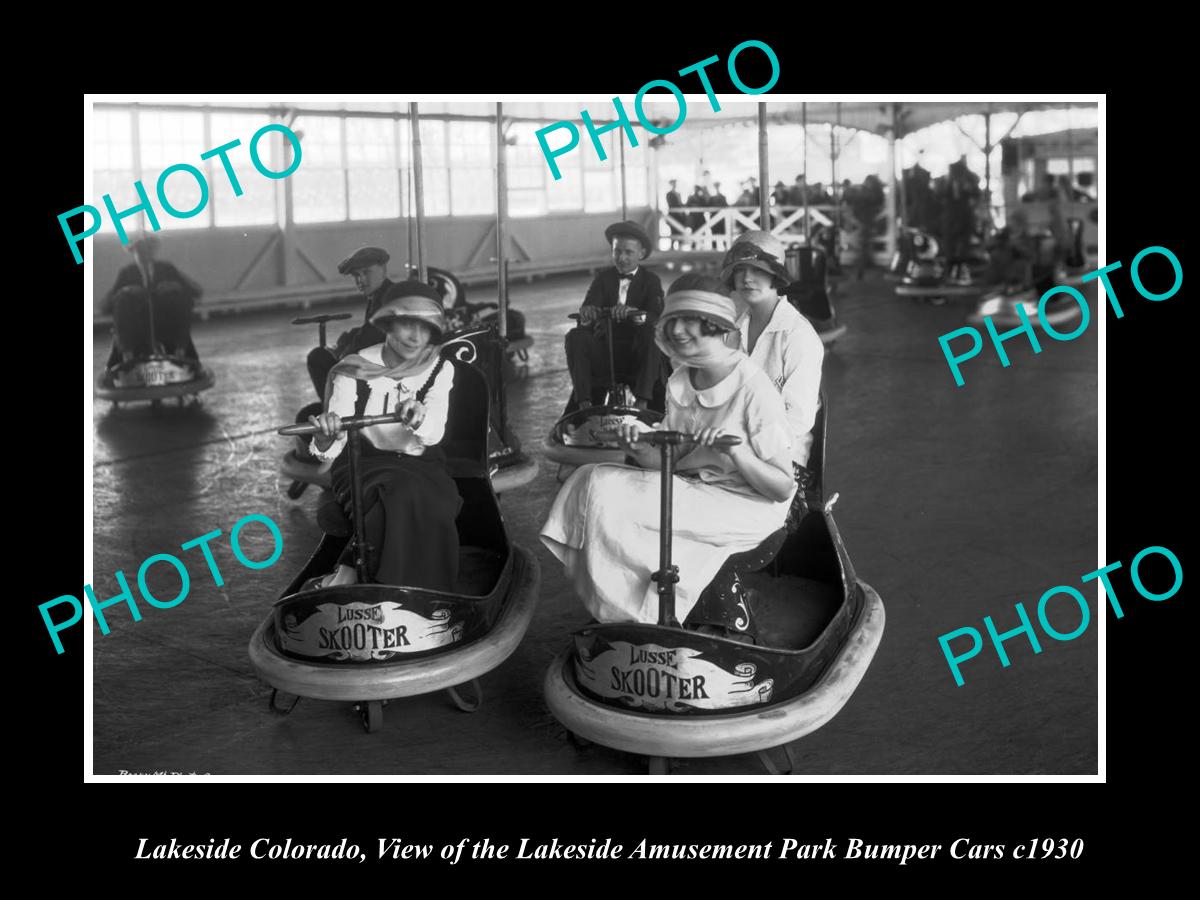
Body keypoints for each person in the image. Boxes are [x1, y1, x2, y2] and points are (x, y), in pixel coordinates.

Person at [541, 275, 795, 631]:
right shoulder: (680, 381)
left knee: (608, 497)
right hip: (694, 487)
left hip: (745, 504)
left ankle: (643, 614)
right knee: (590, 479)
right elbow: (669, 462)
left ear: (716, 326)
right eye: (673, 319)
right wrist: (634, 444)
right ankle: (626, 604)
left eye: (689, 320)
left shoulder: (754, 389)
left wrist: (737, 454)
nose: (677, 330)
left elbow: (783, 487)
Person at [307, 282, 461, 591]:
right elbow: (333, 446)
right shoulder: (354, 368)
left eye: (426, 328)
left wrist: (418, 418)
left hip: (423, 464)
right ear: (388, 323)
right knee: (398, 494)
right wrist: (325, 437)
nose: (416, 337)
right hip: (362, 465)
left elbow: (434, 433)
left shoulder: (439, 369)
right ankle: (390, 591)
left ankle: (351, 572)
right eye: (407, 324)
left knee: (435, 501)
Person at [722, 231, 824, 471]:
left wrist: (743, 445)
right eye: (740, 270)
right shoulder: (732, 331)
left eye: (758, 270)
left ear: (776, 276)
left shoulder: (798, 335)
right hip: (732, 450)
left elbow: (798, 420)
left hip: (783, 459)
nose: (747, 278)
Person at [565, 221, 665, 411]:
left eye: (628, 252)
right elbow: (588, 309)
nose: (622, 258)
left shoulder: (651, 281)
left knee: (651, 335)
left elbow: (656, 318)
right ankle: (584, 404)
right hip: (606, 354)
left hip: (638, 358)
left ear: (641, 254)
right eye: (617, 251)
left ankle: (643, 403)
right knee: (574, 336)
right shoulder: (603, 279)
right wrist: (588, 314)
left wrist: (633, 313)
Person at [306, 246, 395, 400]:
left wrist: (343, 350)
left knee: (318, 357)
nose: (360, 280)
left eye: (366, 273)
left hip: (384, 376)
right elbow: (371, 331)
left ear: (383, 269)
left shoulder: (388, 299)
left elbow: (368, 341)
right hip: (381, 366)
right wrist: (351, 336)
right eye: (356, 275)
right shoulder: (381, 294)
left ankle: (335, 410)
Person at [101, 234, 203, 367]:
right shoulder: (127, 273)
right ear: (133, 252)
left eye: (148, 249)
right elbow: (106, 307)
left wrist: (176, 286)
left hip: (167, 323)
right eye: (140, 250)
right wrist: (125, 292)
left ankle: (180, 353)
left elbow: (196, 292)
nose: (144, 254)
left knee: (180, 296)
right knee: (122, 299)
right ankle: (128, 357)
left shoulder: (167, 269)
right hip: (136, 326)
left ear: (153, 251)